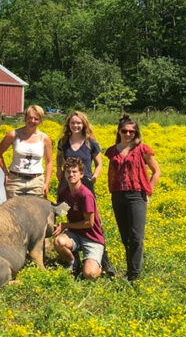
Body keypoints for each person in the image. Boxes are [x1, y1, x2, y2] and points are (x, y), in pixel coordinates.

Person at [56, 111, 115, 275]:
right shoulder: (64, 142)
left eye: (78, 123)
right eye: (73, 123)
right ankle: (72, 256)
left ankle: (103, 259)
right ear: (68, 124)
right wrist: (58, 171)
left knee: (92, 219)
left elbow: (99, 163)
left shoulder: (91, 143)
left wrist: (94, 177)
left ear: (84, 124)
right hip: (66, 182)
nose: (75, 126)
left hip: (86, 183)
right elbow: (59, 157)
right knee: (66, 213)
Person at [105, 114, 160, 282]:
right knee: (125, 236)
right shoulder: (113, 150)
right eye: (124, 131)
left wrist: (148, 192)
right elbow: (112, 174)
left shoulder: (142, 149)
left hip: (137, 195)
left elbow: (156, 171)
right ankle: (130, 270)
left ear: (136, 133)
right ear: (119, 131)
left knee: (136, 237)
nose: (128, 134)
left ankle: (134, 275)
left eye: (131, 131)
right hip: (118, 195)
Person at [52, 157, 106, 281]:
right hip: (75, 234)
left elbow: (89, 223)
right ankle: (73, 262)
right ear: (64, 174)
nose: (71, 175)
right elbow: (62, 212)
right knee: (58, 242)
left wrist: (65, 226)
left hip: (92, 237)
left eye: (74, 172)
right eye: (68, 172)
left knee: (89, 274)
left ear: (81, 174)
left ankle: (98, 263)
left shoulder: (85, 195)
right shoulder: (64, 192)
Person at [0, 105, 53, 198]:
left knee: (35, 211)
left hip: (36, 182)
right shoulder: (13, 135)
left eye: (36, 119)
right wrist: (5, 173)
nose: (32, 121)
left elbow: (49, 162)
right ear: (25, 118)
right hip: (15, 181)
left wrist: (46, 183)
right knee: (13, 211)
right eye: (30, 118)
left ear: (40, 121)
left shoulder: (44, 138)